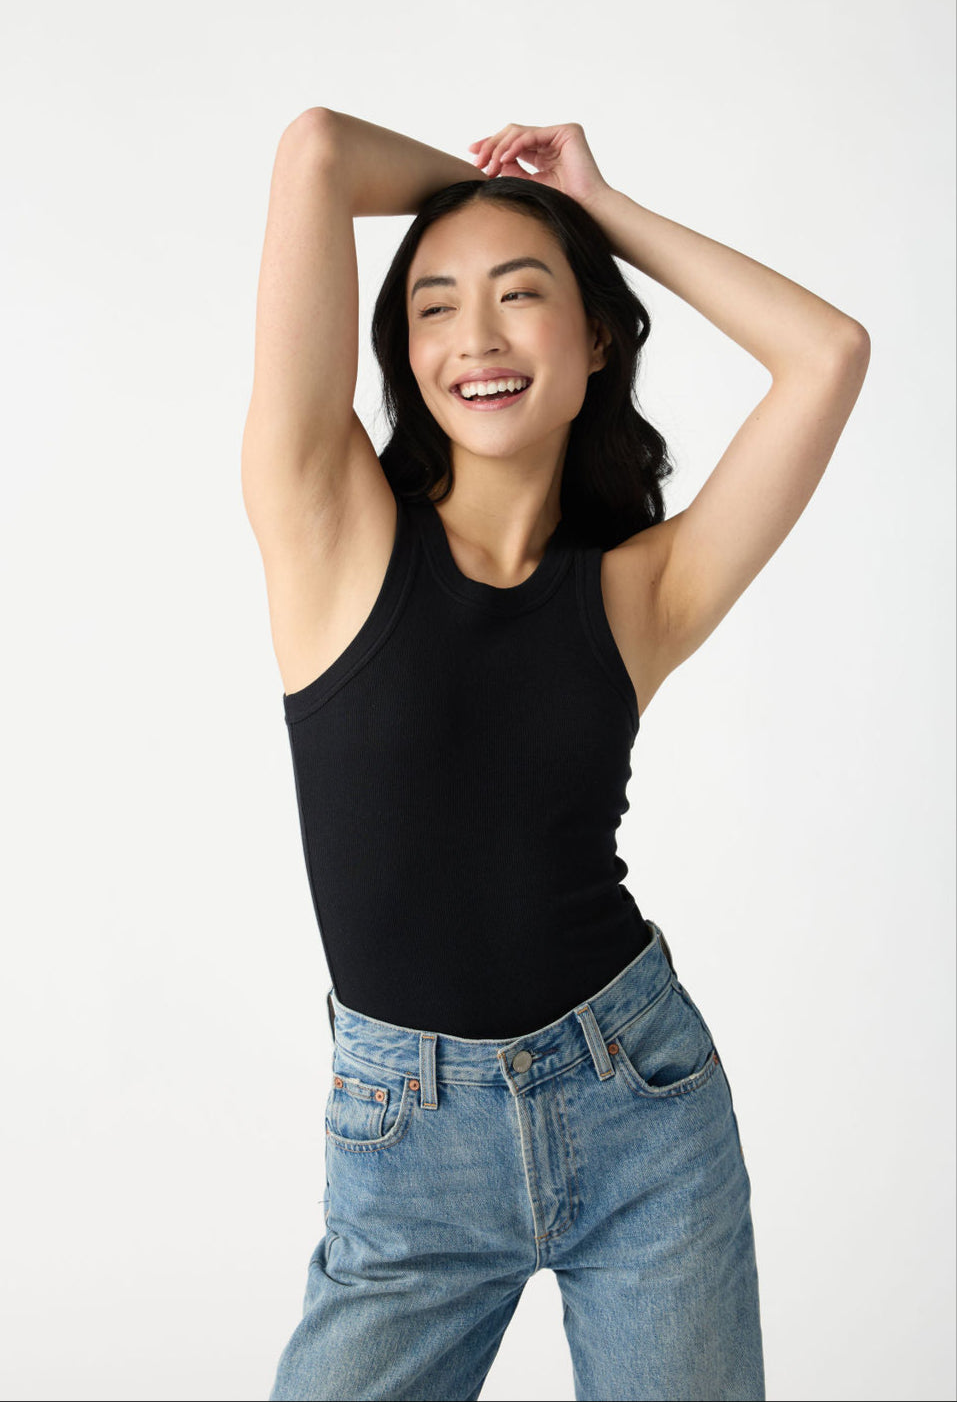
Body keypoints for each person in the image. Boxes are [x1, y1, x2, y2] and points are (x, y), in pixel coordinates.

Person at [241, 109, 870, 1402]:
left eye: (521, 295)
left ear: (592, 337)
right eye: (432, 305)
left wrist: (596, 207)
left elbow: (825, 354)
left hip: (638, 1101)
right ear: (401, 355)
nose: (473, 335)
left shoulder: (639, 594)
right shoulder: (327, 524)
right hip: (405, 1142)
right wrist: (496, 193)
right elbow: (314, 151)